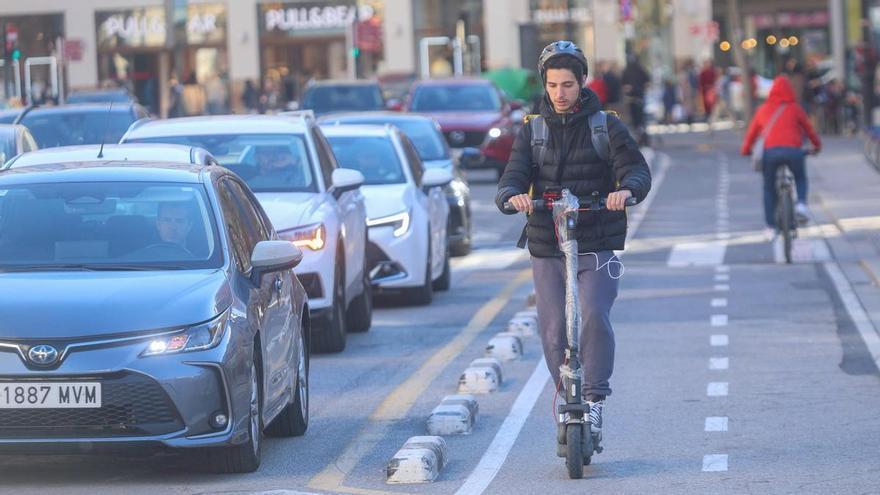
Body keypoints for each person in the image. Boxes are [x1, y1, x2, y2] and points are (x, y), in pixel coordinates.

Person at [495, 41, 652, 445]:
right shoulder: (533, 130)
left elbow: (636, 171)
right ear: (544, 85)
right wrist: (512, 197)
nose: (559, 94)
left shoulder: (607, 126)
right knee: (551, 330)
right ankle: (567, 397)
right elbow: (512, 178)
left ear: (582, 82)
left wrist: (625, 191)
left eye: (567, 84)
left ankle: (595, 401)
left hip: (598, 238)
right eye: (552, 85)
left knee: (594, 314)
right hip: (548, 242)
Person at [741, 76, 821, 235]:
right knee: (800, 177)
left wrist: (745, 150)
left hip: (770, 153)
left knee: (769, 188)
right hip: (794, 152)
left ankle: (770, 226)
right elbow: (809, 130)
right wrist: (816, 146)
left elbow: (751, 134)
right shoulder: (795, 109)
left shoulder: (762, 109)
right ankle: (801, 205)